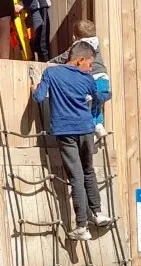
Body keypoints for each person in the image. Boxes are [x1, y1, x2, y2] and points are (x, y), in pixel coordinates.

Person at [30, 42, 111, 241]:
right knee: (88, 170)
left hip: (65, 130)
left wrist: (33, 88)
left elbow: (40, 97)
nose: (90, 68)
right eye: (89, 64)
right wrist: (108, 94)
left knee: (76, 176)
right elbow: (99, 97)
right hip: (85, 129)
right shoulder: (86, 78)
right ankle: (98, 212)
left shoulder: (52, 73)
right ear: (80, 60)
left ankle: (81, 225)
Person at [50, 19, 111, 142]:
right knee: (97, 104)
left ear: (74, 36)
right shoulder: (96, 44)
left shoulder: (79, 46)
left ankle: (91, 133)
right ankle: (99, 125)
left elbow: (64, 57)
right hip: (103, 77)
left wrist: (48, 63)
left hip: (92, 78)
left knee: (87, 105)